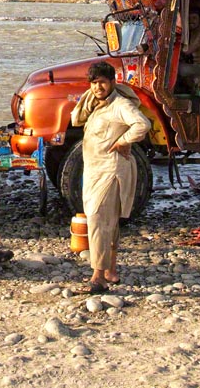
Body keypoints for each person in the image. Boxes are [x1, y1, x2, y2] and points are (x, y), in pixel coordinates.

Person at [70, 60, 151, 293]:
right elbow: (76, 119)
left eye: (102, 83)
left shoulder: (120, 104)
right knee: (108, 221)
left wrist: (123, 141)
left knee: (96, 219)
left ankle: (98, 276)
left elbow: (142, 123)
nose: (98, 87)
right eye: (94, 83)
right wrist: (90, 97)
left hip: (111, 169)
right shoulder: (96, 103)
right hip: (95, 169)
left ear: (112, 83)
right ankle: (111, 271)